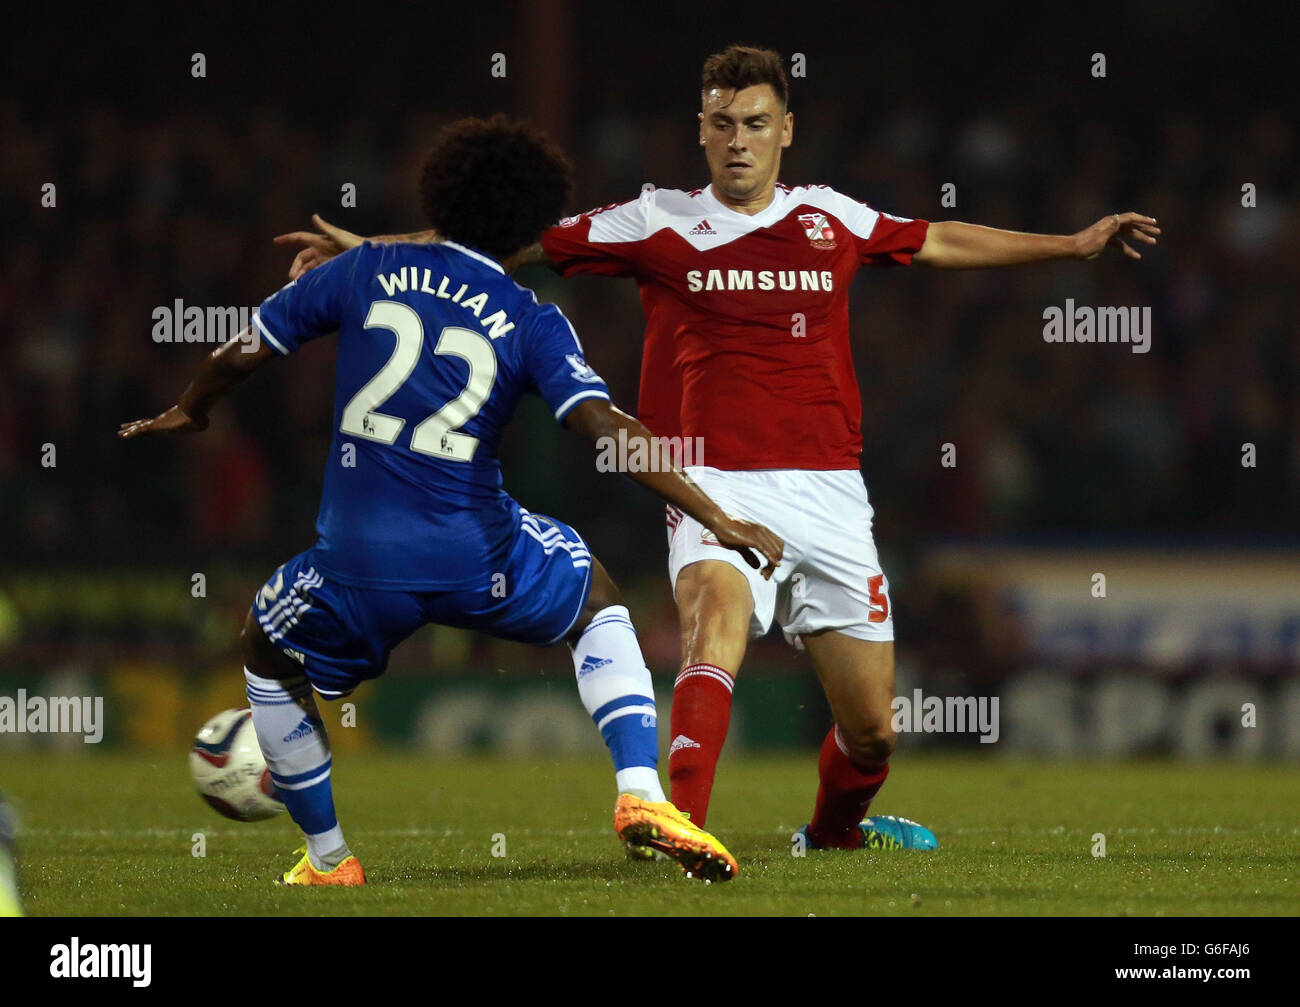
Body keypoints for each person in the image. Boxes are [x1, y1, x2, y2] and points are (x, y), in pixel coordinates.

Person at [277, 45, 1160, 853]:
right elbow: (495, 246)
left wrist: (1072, 245)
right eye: (723, 123)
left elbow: (939, 239)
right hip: (710, 474)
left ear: (787, 131)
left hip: (832, 494)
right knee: (716, 632)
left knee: (872, 733)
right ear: (702, 130)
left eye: (756, 124)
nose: (738, 141)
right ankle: (672, 829)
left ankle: (832, 837)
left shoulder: (832, 218)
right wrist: (368, 250)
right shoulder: (653, 220)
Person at [120, 114, 783, 885]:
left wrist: (193, 407)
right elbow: (606, 427)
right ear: (531, 222)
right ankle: (639, 793)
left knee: (266, 650)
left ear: (440, 195)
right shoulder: (534, 318)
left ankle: (330, 858)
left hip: (356, 562)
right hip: (479, 554)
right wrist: (715, 513)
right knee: (595, 595)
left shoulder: (364, 272)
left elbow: (244, 350)